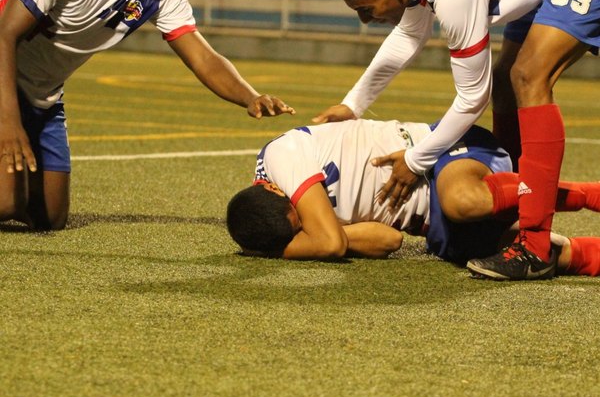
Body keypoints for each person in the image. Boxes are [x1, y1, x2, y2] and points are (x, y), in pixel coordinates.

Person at [312, 0, 600, 280]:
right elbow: (409, 34)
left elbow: (470, 100)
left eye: (366, 9)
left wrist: (416, 161)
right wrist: (353, 105)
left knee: (528, 77)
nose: (367, 20)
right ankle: (513, 213)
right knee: (506, 87)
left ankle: (534, 246)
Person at [0, 0, 295, 231]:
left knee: (50, 218)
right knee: (7, 202)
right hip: (3, 80)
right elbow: (3, 36)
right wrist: (8, 123)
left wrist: (250, 96)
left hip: (43, 96)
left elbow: (203, 57)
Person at [226, 119, 600, 278]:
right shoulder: (285, 216)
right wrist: (316, 241)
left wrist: (286, 248)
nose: (305, 221)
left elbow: (327, 241)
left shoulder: (280, 158)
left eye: (299, 219)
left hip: (445, 153)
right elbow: (387, 240)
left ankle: (590, 195)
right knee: (534, 254)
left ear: (273, 188)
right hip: (435, 227)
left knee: (461, 200)